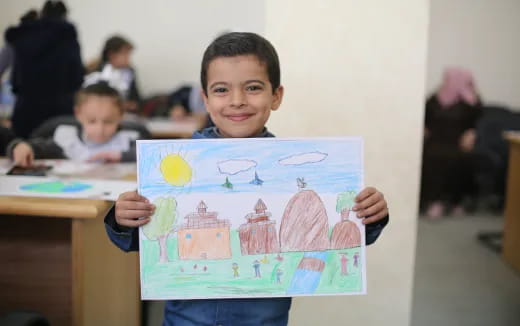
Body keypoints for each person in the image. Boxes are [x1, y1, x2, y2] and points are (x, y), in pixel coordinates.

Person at [105, 32, 390, 326]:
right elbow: (138, 239)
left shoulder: (294, 172)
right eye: (221, 90)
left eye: (253, 88)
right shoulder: (176, 169)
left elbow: (338, 235)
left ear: (276, 96)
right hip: (186, 321)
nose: (237, 101)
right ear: (205, 99)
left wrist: (370, 215)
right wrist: (123, 218)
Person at [7, 82, 150, 166]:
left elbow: (153, 156)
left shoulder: (131, 138)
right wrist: (21, 146)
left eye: (108, 122)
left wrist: (122, 156)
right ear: (78, 115)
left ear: (121, 116)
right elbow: (38, 147)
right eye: (92, 121)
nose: (100, 129)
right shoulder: (67, 138)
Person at [4, 1, 84, 138]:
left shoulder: (23, 34)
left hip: (25, 105)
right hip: (59, 105)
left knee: (23, 149)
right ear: (64, 15)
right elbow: (76, 73)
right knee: (57, 147)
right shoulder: (67, 34)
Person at [420, 67, 482, 219]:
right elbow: (424, 118)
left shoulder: (472, 101)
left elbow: (479, 123)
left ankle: (456, 201)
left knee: (459, 160)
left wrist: (473, 133)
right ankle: (435, 201)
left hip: (459, 142)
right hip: (436, 140)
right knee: (432, 157)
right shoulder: (435, 99)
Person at [85, 35, 141, 114]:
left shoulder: (129, 72)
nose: (128, 58)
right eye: (125, 54)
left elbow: (136, 99)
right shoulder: (97, 72)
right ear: (112, 55)